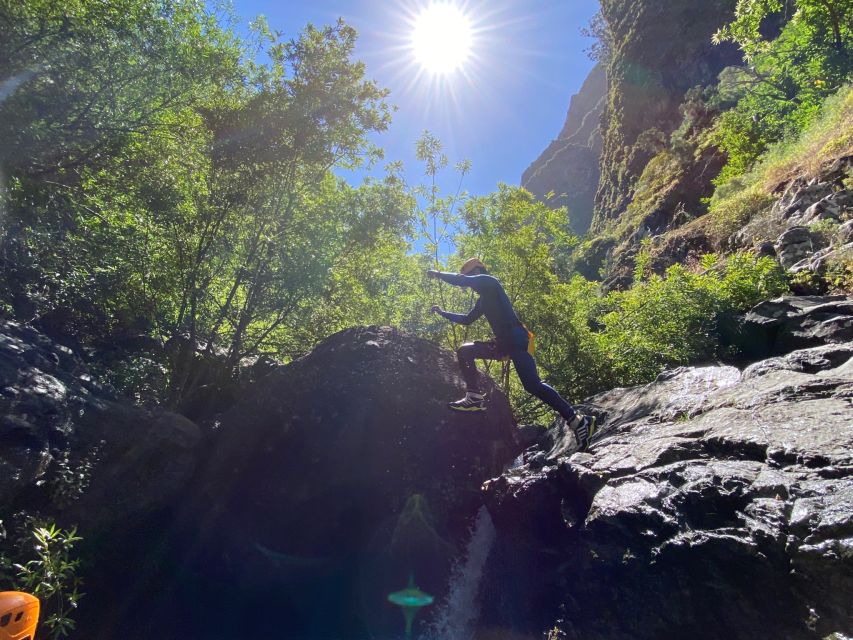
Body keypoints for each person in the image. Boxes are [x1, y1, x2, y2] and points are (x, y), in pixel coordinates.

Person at [427, 258, 596, 451]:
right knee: (465, 351)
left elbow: (461, 280)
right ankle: (474, 396)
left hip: (517, 340)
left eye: (469, 277)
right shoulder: (483, 301)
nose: (470, 284)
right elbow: (467, 320)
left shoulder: (491, 282)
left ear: (478, 271)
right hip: (504, 344)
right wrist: (442, 312)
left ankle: (577, 421)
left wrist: (439, 274)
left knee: (532, 385)